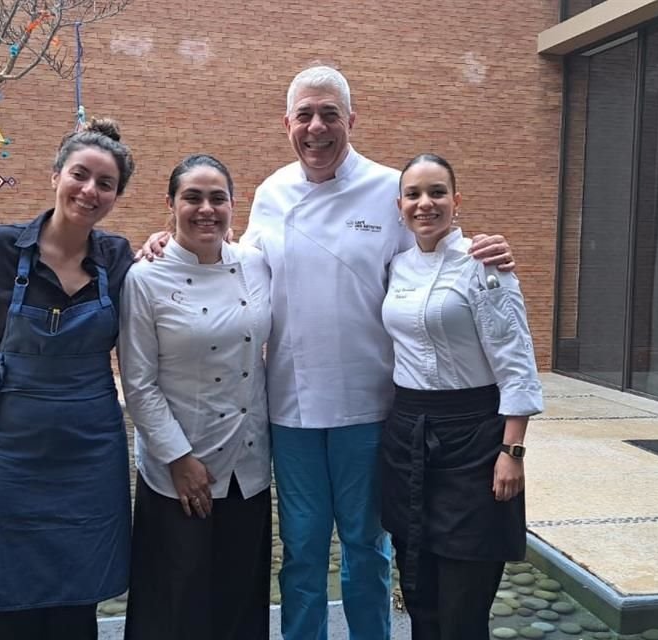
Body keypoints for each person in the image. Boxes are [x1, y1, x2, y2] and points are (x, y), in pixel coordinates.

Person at [139, 65, 515, 640]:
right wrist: (166, 242)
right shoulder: (270, 194)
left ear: (351, 121)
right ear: (287, 123)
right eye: (305, 115)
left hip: (372, 408)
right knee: (303, 553)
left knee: (367, 549)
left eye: (329, 114)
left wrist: (483, 247)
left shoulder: (389, 190)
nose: (317, 128)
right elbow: (230, 258)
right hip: (288, 409)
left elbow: (432, 251)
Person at [0, 118, 136, 640]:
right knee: (4, 586)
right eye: (80, 175)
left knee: (76, 595)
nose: (90, 191)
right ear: (56, 174)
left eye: (105, 184)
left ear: (115, 196)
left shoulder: (117, 256)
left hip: (90, 446)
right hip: (11, 445)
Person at [380, 154, 543, 640]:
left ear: (456, 200)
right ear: (400, 204)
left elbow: (517, 364)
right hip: (408, 435)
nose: (425, 204)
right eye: (414, 194)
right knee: (418, 591)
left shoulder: (484, 265)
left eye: (436, 192)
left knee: (463, 605)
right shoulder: (397, 265)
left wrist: (511, 451)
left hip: (473, 440)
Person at [118, 155, 272, 640]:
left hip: (249, 463)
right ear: (170, 205)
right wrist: (178, 458)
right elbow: (138, 383)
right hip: (179, 468)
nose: (206, 209)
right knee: (175, 602)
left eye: (217, 198)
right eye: (192, 198)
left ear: (233, 205)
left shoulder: (255, 263)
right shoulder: (145, 278)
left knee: (240, 600)